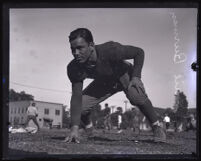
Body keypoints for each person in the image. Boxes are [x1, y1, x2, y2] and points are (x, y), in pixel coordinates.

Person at [65, 28, 166, 143]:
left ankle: (157, 126)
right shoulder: (73, 67)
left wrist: (136, 76)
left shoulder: (111, 50)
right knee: (81, 106)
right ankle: (89, 129)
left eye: (80, 48)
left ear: (91, 45)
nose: (76, 53)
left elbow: (139, 52)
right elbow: (76, 97)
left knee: (135, 95)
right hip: (104, 81)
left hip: (123, 74)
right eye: (73, 49)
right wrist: (74, 128)